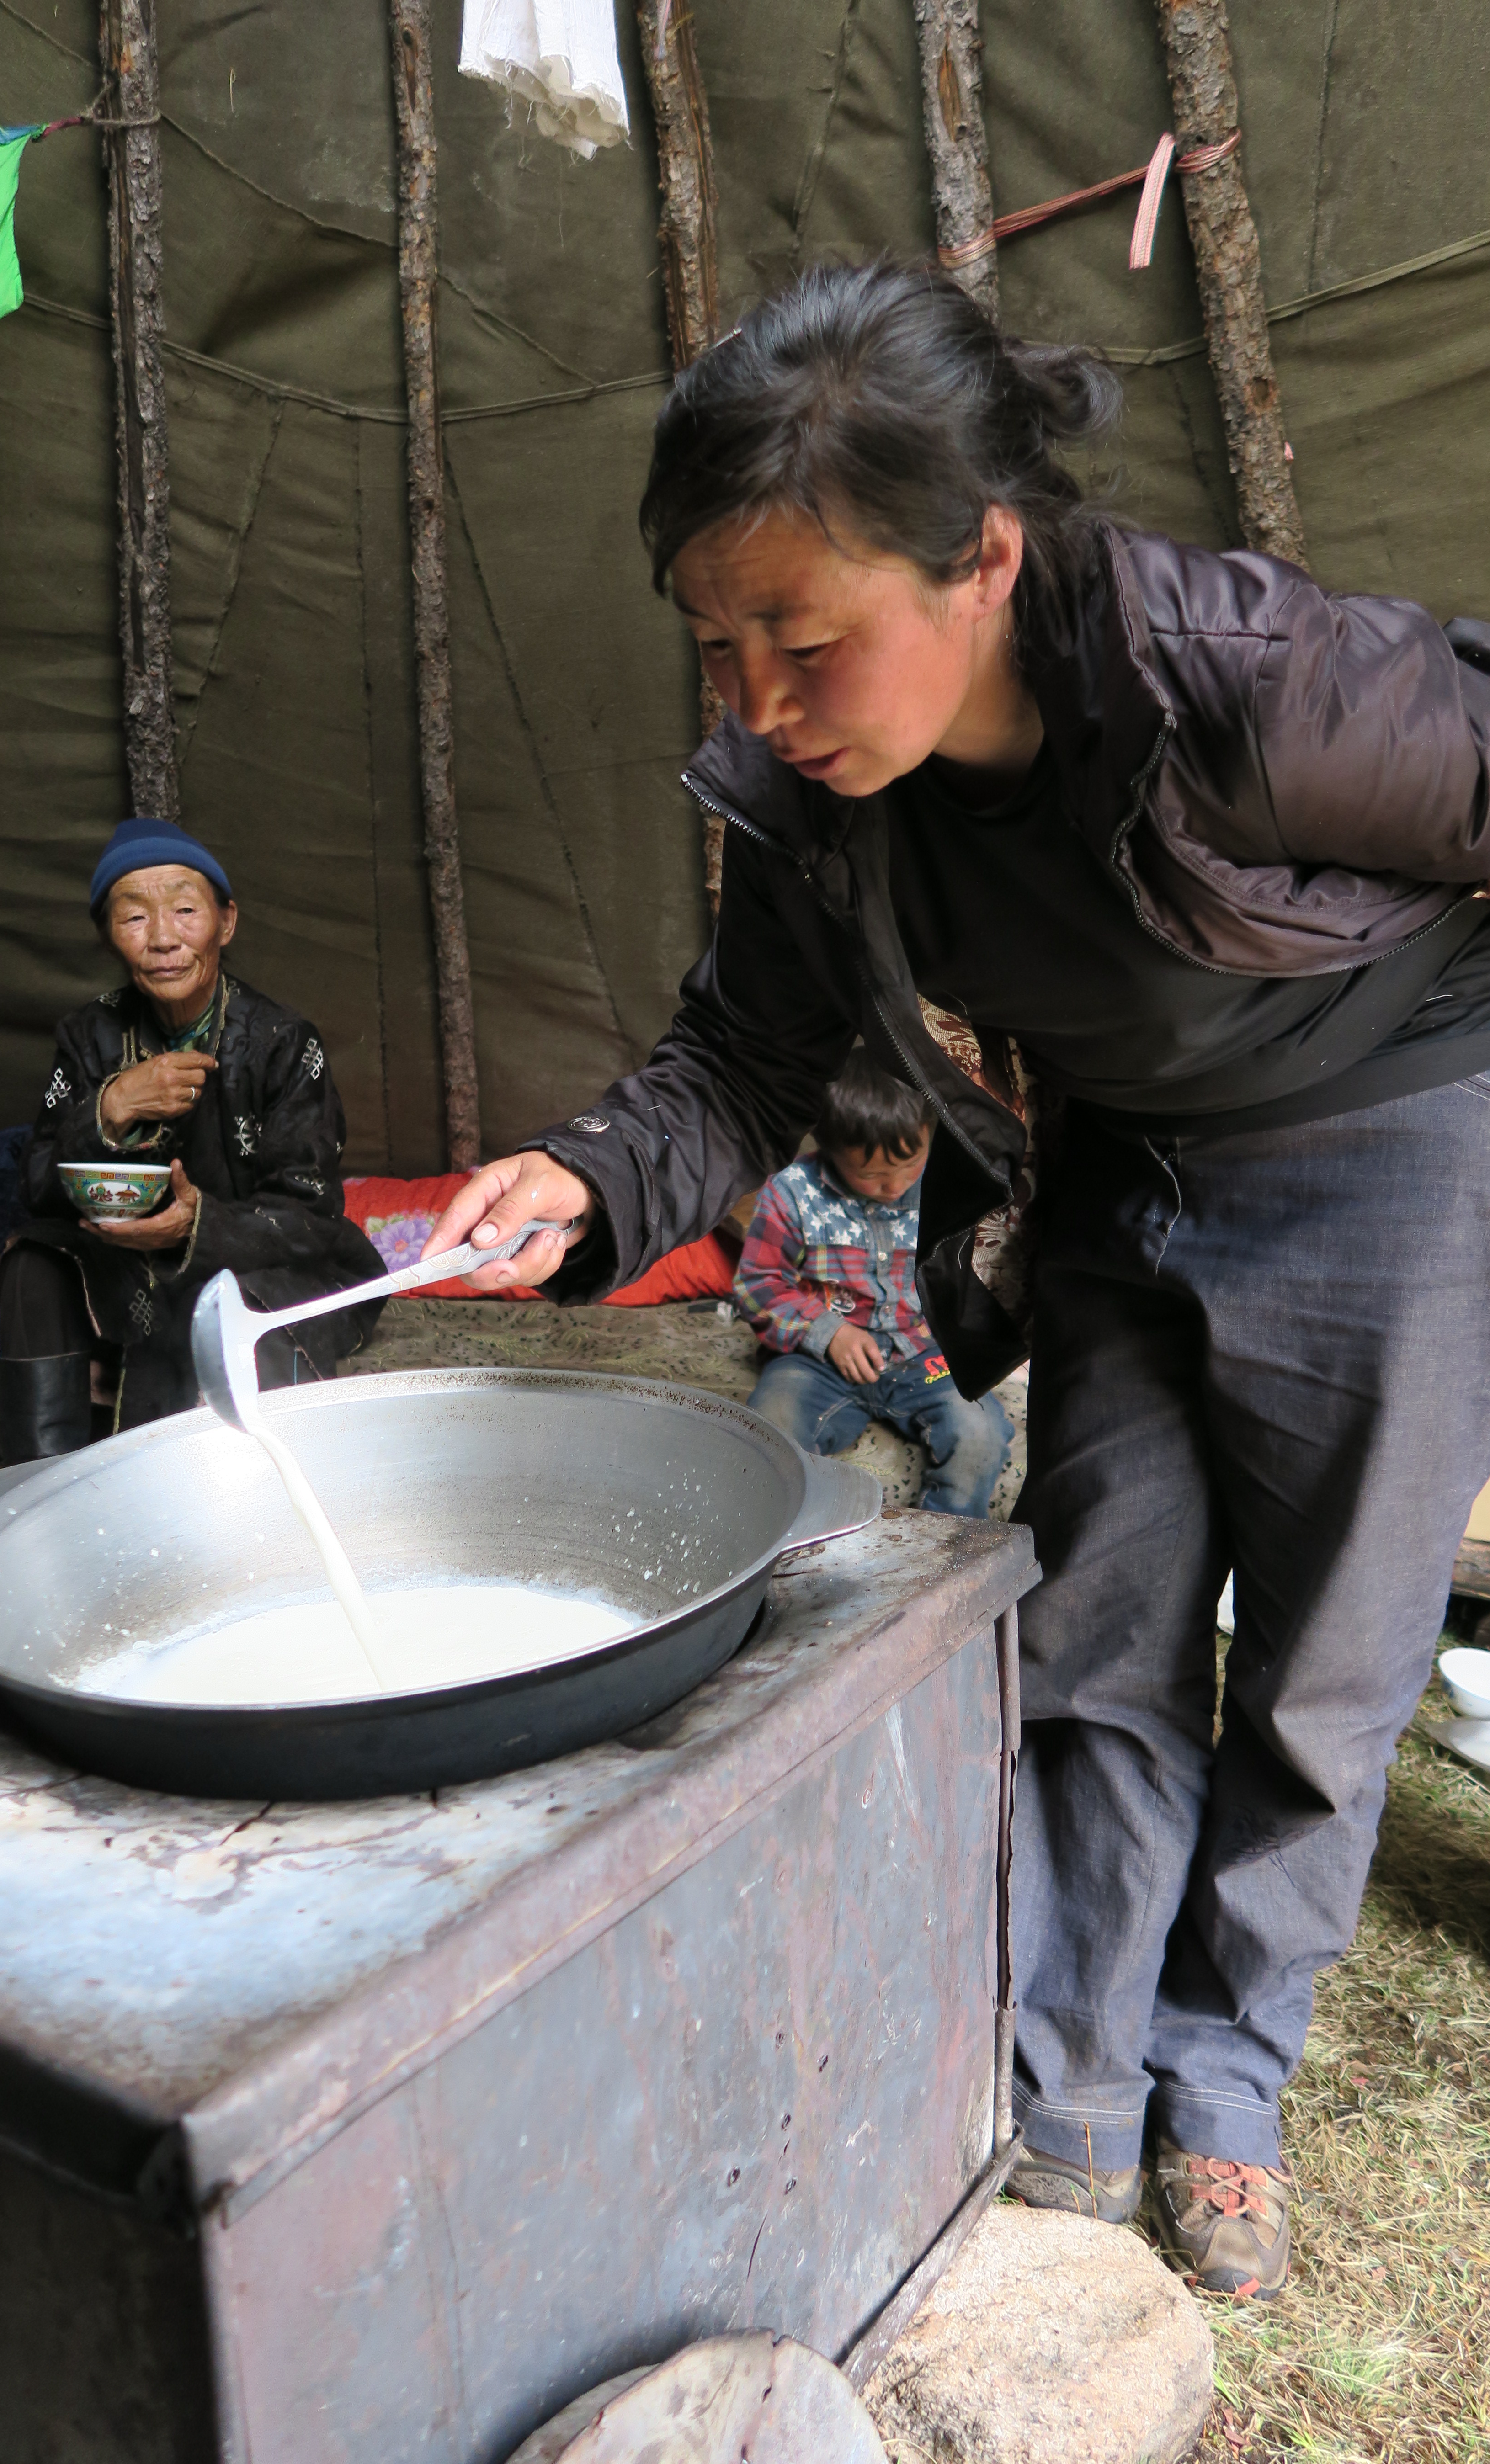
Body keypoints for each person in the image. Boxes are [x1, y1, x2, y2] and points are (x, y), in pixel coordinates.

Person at [423, 259, 1490, 2299]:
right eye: (715, 643)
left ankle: (1225, 2068)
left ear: (978, 555)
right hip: (1110, 1164)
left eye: (802, 639)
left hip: (1384, 1152)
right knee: (1094, 1622)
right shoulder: (814, 807)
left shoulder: (1241, 678)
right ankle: (1069, 2072)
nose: (753, 699)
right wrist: (573, 1179)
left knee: (1324, 1670)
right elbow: (735, 1057)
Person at [0, 818, 382, 1456]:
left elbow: (309, 1215)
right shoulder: (88, 1035)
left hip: (264, 1260)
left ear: (225, 922)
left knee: (242, 1300)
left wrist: (194, 1227)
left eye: (183, 910)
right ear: (108, 936)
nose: (164, 940)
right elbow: (38, 1186)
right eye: (134, 919)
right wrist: (110, 1108)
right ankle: (38, 1498)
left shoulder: (284, 1044)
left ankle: (261, 1506)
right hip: (123, 1262)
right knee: (31, 1261)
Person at [735, 1047, 1011, 1514]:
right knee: (768, 1436)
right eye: (872, 1175)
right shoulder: (793, 1194)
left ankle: (941, 1560)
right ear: (827, 1150)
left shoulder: (948, 1184)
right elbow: (758, 1286)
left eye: (910, 1165)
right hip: (818, 1362)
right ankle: (786, 1559)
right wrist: (829, 1334)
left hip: (924, 1355)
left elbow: (985, 1268)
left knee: (980, 1433)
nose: (895, 1186)